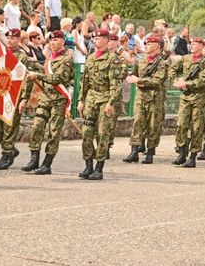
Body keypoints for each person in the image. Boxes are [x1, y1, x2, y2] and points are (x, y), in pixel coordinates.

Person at [20, 30, 74, 175]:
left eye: (56, 40)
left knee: (54, 131)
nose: (52, 43)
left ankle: (47, 163)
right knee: (37, 125)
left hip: (58, 99)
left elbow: (57, 78)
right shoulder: (49, 58)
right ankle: (34, 159)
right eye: (51, 40)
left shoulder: (66, 60)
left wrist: (37, 75)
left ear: (63, 41)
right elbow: (45, 73)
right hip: (45, 97)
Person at [77, 29, 122, 180]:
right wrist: (81, 100)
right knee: (86, 133)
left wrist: (111, 103)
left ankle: (99, 167)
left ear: (106, 40)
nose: (95, 41)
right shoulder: (90, 58)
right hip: (91, 98)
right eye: (94, 38)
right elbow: (85, 82)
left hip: (105, 98)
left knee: (103, 134)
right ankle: (88, 165)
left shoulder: (113, 59)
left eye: (99, 38)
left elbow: (115, 85)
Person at [0, 29, 31, 170]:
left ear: (19, 39)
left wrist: (25, 98)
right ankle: (11, 148)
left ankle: (7, 155)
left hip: (14, 96)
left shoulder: (22, 57)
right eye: (8, 37)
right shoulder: (2, 54)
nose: (10, 40)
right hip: (1, 94)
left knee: (9, 127)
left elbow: (26, 79)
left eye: (13, 37)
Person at [169, 38, 205, 167]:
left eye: (194, 44)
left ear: (201, 46)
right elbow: (172, 69)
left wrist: (186, 84)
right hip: (185, 98)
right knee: (181, 125)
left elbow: (204, 81)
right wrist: (177, 81)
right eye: (191, 44)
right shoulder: (186, 58)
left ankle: (193, 156)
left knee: (196, 128)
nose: (192, 46)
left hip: (199, 99)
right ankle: (182, 153)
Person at [123, 36, 168, 164]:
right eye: (146, 43)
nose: (147, 45)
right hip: (141, 96)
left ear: (158, 46)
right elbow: (134, 75)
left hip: (155, 98)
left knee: (154, 125)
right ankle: (134, 150)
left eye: (150, 43)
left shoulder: (162, 63)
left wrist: (139, 81)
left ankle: (150, 152)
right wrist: (137, 80)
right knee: (137, 122)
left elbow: (157, 82)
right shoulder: (140, 61)